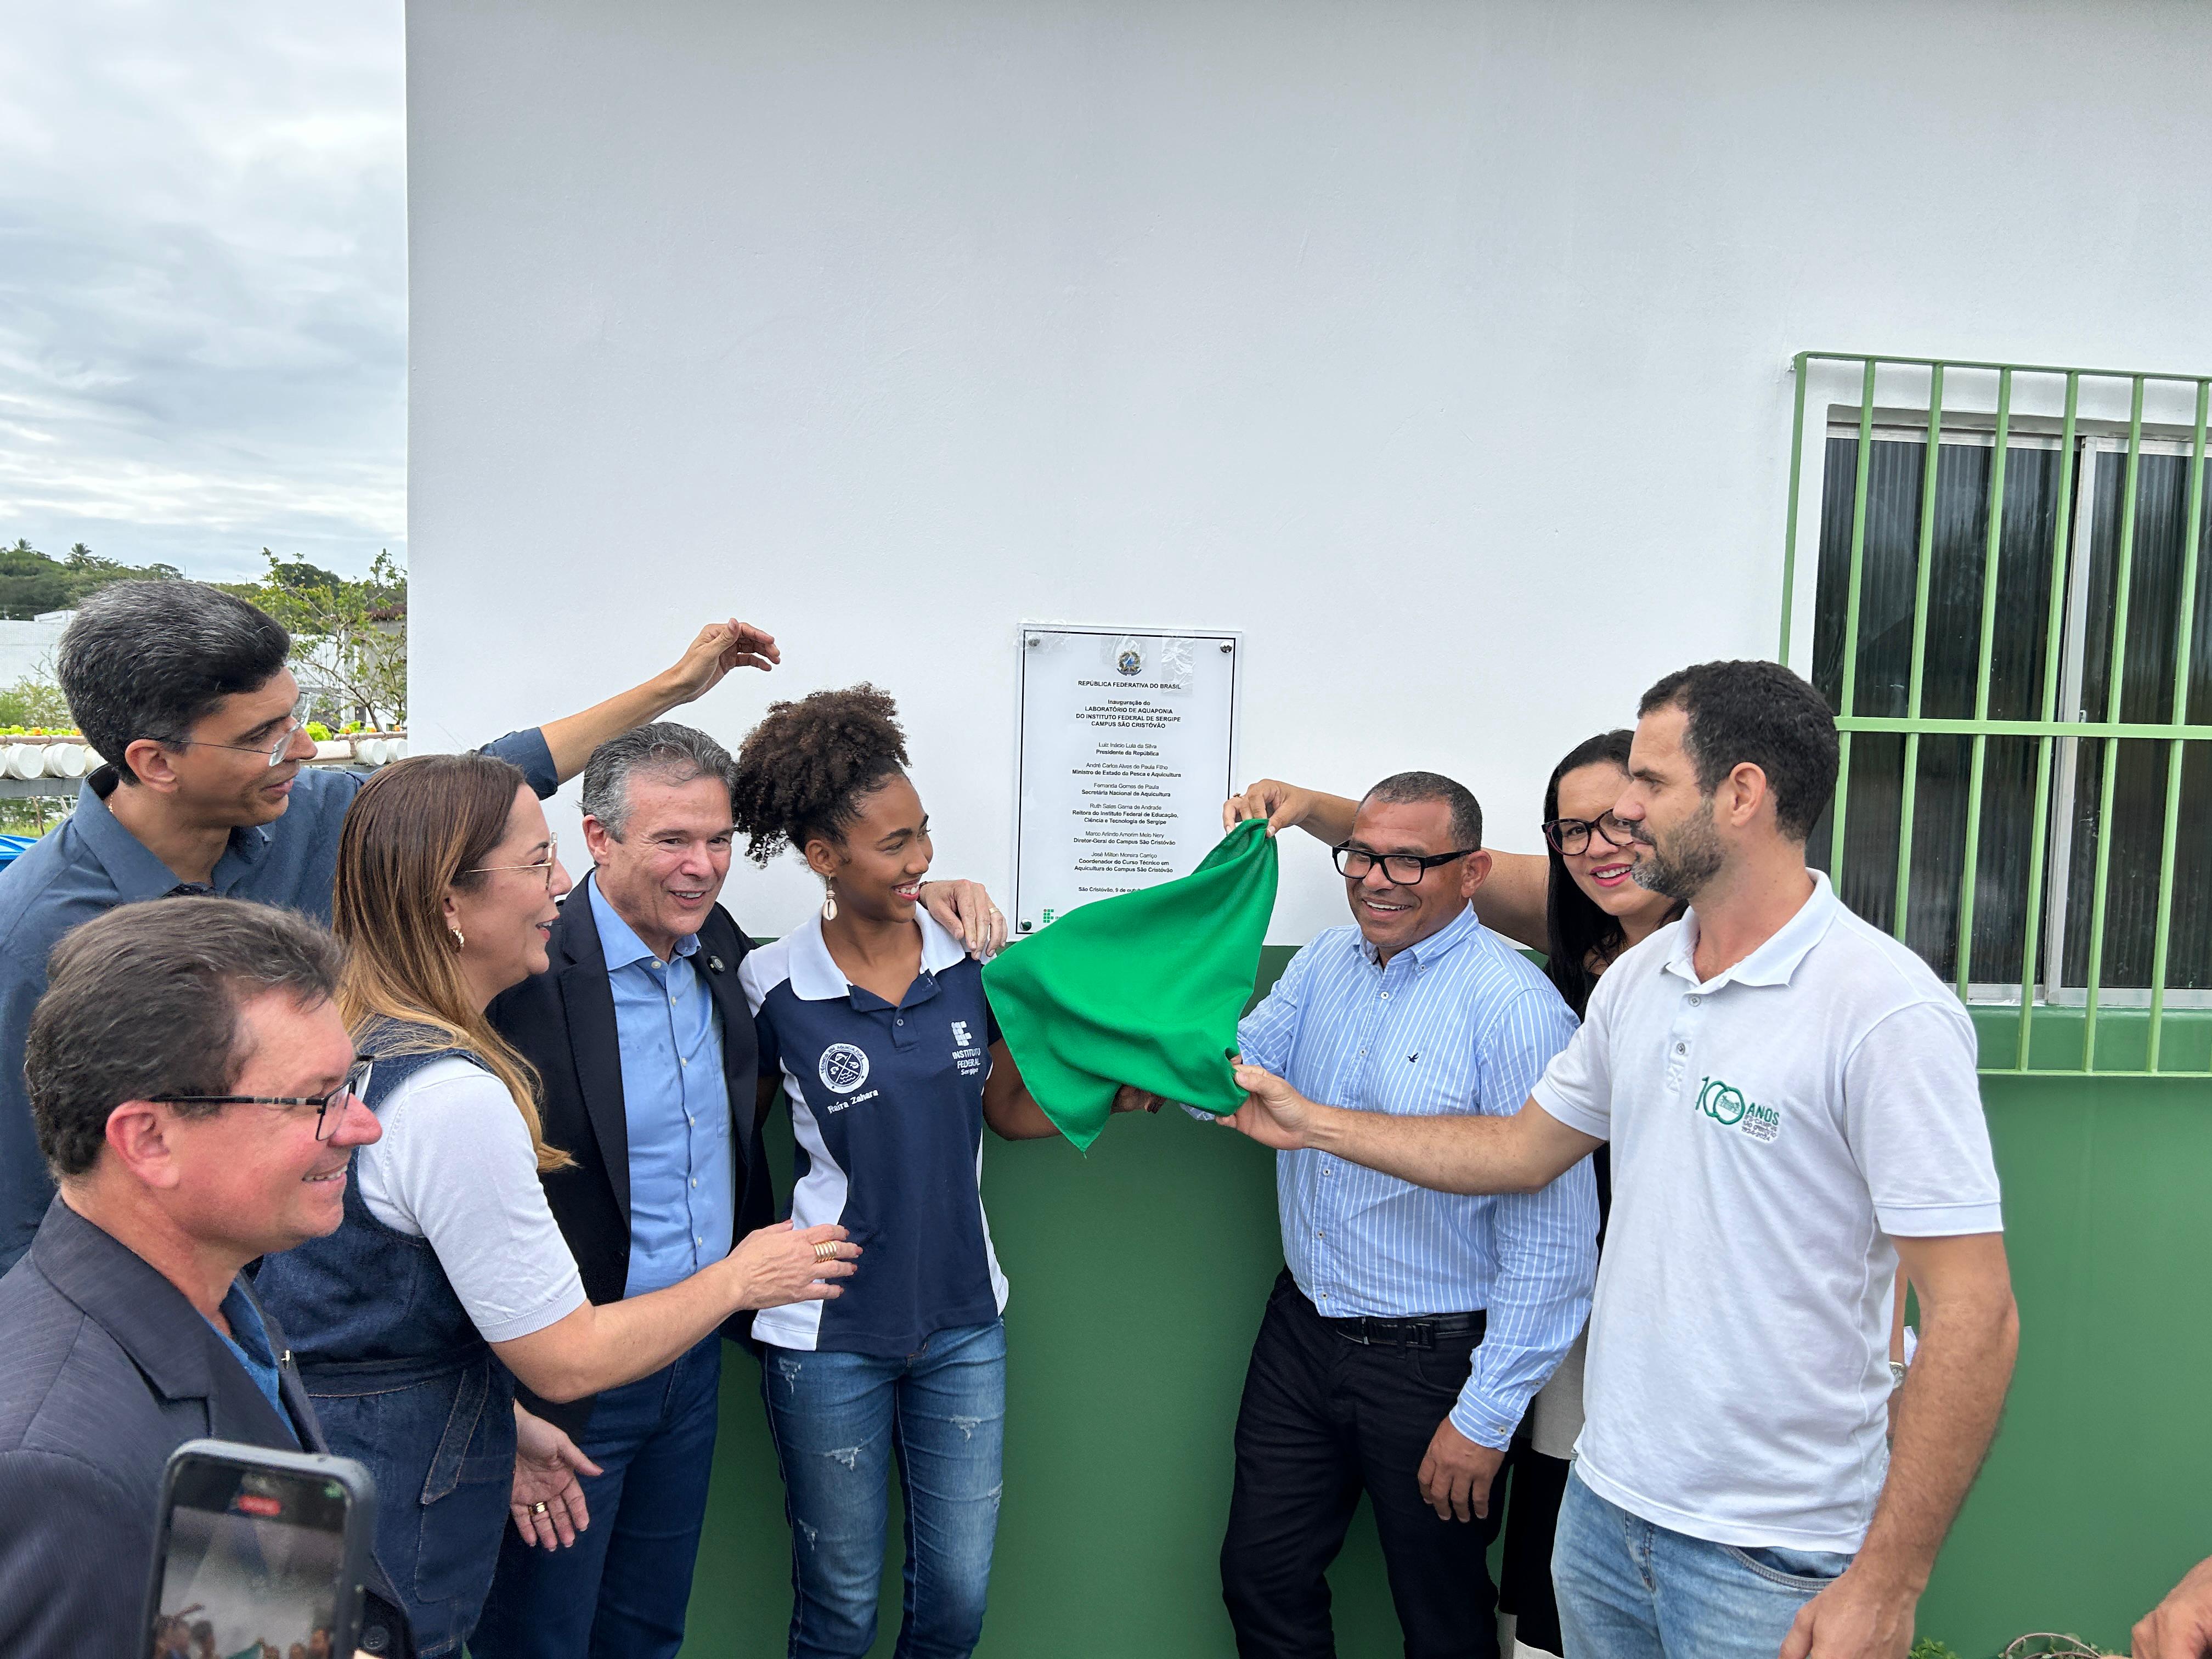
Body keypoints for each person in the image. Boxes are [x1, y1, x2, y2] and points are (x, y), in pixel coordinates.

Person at [1223, 660, 2020, 1659]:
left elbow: (1975, 1314)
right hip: (1607, 1511)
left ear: (1741, 793)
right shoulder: (1641, 980)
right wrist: (1313, 1123)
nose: (1622, 815)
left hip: (1768, 1550)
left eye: (1647, 782)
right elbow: (1522, 1151)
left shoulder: (1881, 1010)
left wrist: (1889, 1583)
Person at [0, 575, 803, 1272]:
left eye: (295, 717)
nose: (302, 749)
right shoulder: (39, 936)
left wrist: (673, 688)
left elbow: (477, 789)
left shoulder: (317, 816)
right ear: (155, 762)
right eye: (261, 739)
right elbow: (26, 1211)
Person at [252, 753, 861, 1658]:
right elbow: (566, 1358)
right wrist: (742, 1278)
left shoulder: (358, 1043)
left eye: (718, 840)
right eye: (539, 862)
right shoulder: (453, 1089)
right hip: (436, 1460)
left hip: (461, 1430)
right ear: (451, 903)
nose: (559, 887)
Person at [473, 722, 1006, 1659]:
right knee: (545, 1635)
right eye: (673, 840)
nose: (703, 866)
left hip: (690, 1359)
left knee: (648, 1629)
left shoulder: (716, 946)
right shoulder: (525, 970)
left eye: (718, 839)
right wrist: (498, 1403)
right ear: (598, 839)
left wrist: (926, 890)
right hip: (573, 1371)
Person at [1226, 730, 1681, 1655]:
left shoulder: (1518, 1008)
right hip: (1302, 1333)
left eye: (1409, 861)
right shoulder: (1322, 962)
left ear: (1472, 874)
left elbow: (1554, 1240)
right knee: (1261, 1578)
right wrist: (1123, 1048)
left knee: (1441, 1620)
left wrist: (1484, 1416)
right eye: (1361, 856)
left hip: (1436, 1361)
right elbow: (1238, 1076)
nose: (1376, 880)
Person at [729, 684, 1152, 1659]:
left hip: (965, 1320)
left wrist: (1113, 1095)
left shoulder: (972, 962)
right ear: (824, 857)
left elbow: (1005, 1109)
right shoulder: (769, 986)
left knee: (956, 1601)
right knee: (838, 1611)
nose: (920, 857)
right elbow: (728, 1149)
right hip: (827, 1334)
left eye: (924, 832)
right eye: (894, 843)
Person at [0, 898, 416, 1658]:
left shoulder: (208, 1289)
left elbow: (225, 1625)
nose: (363, 1126)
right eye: (316, 1100)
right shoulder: (59, 1471)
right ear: (149, 1140)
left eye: (350, 1085)